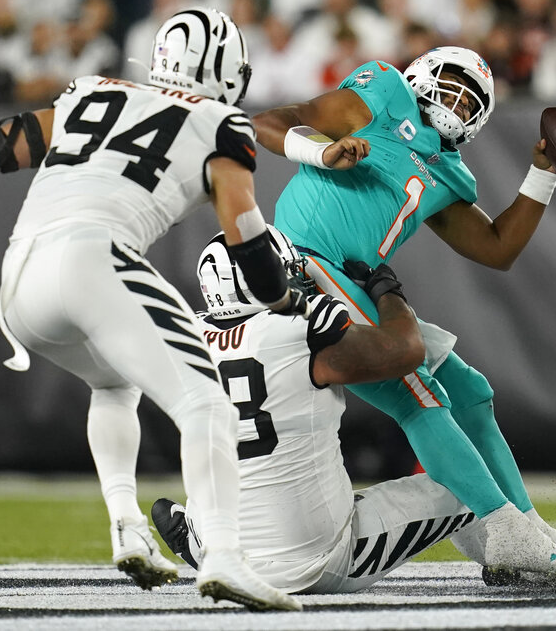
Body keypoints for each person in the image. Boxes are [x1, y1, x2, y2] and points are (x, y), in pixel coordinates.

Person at [0, 7, 306, 611]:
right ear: (227, 71)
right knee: (206, 403)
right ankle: (223, 554)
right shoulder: (220, 122)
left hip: (22, 284)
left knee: (114, 382)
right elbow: (246, 237)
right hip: (93, 259)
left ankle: (126, 525)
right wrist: (281, 298)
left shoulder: (89, 94)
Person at [252, 46, 556, 582]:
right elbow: (271, 121)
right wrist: (323, 151)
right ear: (420, 76)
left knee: (470, 391)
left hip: (355, 281)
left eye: (469, 98)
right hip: (302, 264)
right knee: (418, 394)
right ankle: (507, 536)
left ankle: (526, 530)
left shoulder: (447, 171)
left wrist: (542, 173)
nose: (456, 101)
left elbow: (498, 247)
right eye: (450, 84)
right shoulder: (379, 96)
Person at [152, 227, 492, 592]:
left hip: (222, 544)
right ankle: (506, 554)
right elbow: (406, 350)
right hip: (315, 560)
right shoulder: (304, 329)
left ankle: (198, 540)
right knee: (471, 481)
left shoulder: (186, 337)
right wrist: (388, 293)